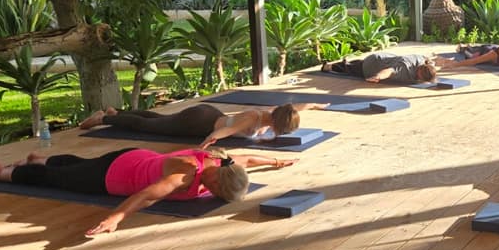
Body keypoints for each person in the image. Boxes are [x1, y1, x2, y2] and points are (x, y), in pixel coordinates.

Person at [0, 147, 295, 237]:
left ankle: (40, 156)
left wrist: (278, 161)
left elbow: (250, 159)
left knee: (77, 164)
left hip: (132, 155)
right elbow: (145, 196)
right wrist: (115, 218)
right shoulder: (183, 177)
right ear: (212, 185)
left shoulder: (223, 162)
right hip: (114, 176)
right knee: (56, 179)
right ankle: (1, 173)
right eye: (217, 195)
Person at [78, 102, 321, 148]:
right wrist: (209, 141)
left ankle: (117, 112)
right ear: (277, 124)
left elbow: (292, 108)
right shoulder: (254, 119)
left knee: (159, 120)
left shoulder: (274, 114)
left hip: (207, 114)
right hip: (198, 123)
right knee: (148, 127)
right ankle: (103, 119)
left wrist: (310, 106)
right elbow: (227, 131)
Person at [323, 52, 437, 83]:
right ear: (419, 71)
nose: (419, 79)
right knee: (350, 69)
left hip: (383, 58)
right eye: (420, 78)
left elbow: (429, 60)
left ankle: (344, 62)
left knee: (354, 64)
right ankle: (328, 67)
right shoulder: (405, 67)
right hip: (372, 66)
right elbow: (389, 71)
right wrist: (378, 76)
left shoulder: (425, 62)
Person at [434, 44, 499, 69]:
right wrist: (454, 65)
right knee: (471, 55)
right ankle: (462, 48)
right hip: (483, 51)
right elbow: (473, 62)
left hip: (492, 48)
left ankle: (469, 47)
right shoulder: (493, 55)